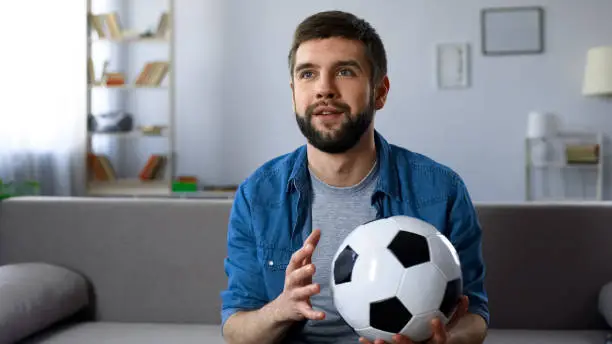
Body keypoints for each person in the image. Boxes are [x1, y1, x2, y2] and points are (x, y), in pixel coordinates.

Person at [220, 10, 489, 344]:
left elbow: (475, 314)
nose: (324, 89)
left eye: (344, 71)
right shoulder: (257, 195)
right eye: (308, 74)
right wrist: (281, 309)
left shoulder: (442, 190)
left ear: (380, 91)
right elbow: (236, 328)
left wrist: (447, 340)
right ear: (293, 92)